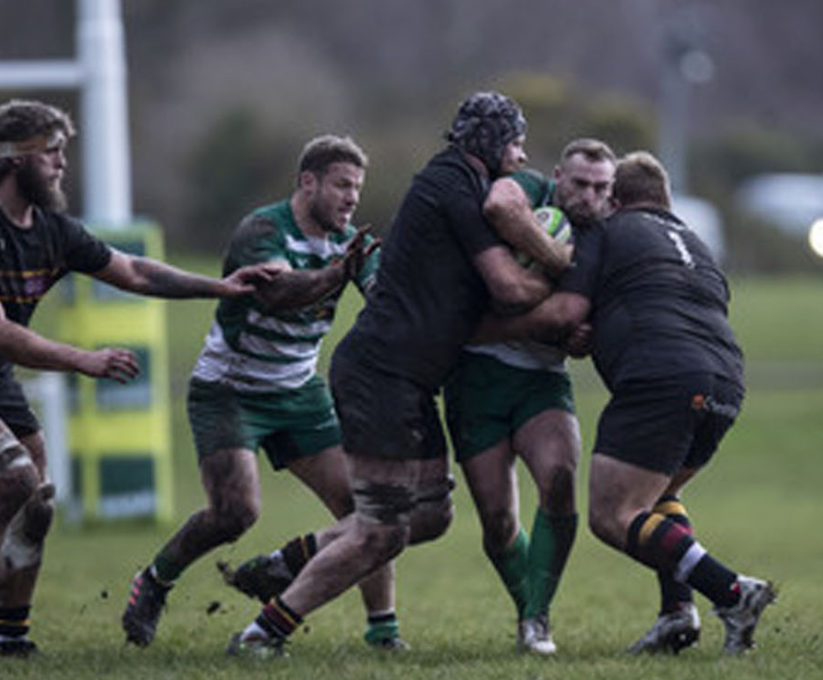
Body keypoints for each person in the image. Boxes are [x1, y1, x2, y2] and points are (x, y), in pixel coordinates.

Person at [0, 99, 277, 662]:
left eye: (62, 152)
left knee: (37, 504)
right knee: (12, 478)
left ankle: (10, 634)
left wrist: (221, 288)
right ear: (17, 159)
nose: (61, 164)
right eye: (51, 153)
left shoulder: (53, 230)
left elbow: (134, 271)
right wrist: (83, 359)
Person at [223, 91, 553, 657]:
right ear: (491, 140)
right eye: (515, 142)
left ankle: (288, 562)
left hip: (410, 381)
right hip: (381, 375)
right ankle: (264, 632)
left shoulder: (464, 185)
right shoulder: (450, 184)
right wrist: (565, 272)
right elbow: (509, 288)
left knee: (429, 516)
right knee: (381, 529)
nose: (521, 157)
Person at [473, 151, 777, 655]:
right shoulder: (695, 243)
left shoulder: (608, 233)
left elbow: (567, 312)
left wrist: (487, 328)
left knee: (613, 513)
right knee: (656, 497)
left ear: (615, 199)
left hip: (660, 378)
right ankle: (677, 615)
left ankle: (732, 592)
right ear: (665, 200)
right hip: (725, 382)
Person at [118, 135, 406, 650]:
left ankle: (383, 630)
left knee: (366, 508)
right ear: (308, 182)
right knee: (236, 513)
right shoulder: (263, 230)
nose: (351, 198)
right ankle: (155, 580)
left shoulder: (350, 242)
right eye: (342, 185)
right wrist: (341, 271)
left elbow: (388, 303)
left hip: (299, 391)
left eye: (357, 190)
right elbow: (277, 295)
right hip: (230, 391)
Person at [442, 138, 616, 654]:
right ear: (559, 175)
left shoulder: (606, 236)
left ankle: (536, 619)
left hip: (543, 379)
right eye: (580, 183)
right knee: (497, 522)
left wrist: (581, 336)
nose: (588, 196)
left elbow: (589, 320)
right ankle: (528, 610)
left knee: (560, 478)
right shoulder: (527, 191)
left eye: (601, 188)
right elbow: (498, 205)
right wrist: (546, 302)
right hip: (476, 380)